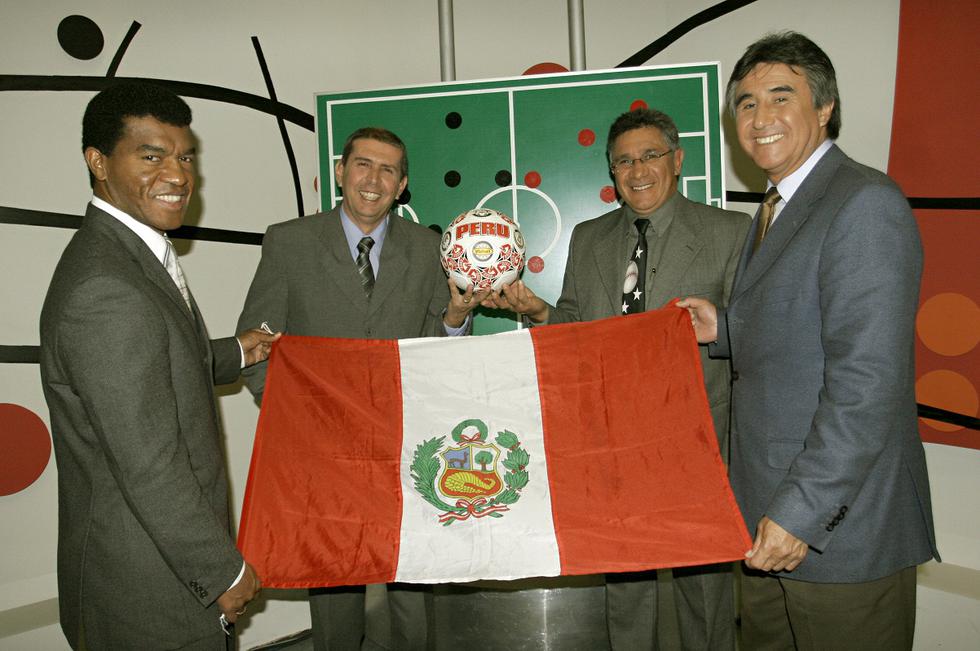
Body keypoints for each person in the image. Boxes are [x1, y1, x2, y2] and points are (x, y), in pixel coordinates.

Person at [678, 31, 939, 650]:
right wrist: (725, 325)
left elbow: (867, 386)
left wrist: (800, 515)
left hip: (835, 529)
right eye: (745, 103)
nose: (759, 118)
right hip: (765, 516)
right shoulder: (776, 209)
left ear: (824, 109)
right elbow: (807, 325)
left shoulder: (864, 204)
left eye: (779, 97)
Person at [486, 108, 750, 650]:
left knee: (704, 598)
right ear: (612, 172)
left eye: (650, 155)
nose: (637, 170)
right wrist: (536, 307)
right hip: (615, 447)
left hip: (697, 447)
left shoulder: (731, 232)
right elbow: (576, 329)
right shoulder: (589, 238)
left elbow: (753, 336)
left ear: (677, 161)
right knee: (627, 594)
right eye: (623, 161)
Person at [39, 82, 278, 649]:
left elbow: (155, 362)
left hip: (153, 568)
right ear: (98, 162)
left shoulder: (129, 250)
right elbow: (148, 460)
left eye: (184, 156)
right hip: (148, 588)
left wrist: (238, 351)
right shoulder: (105, 288)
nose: (177, 175)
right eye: (151, 156)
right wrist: (220, 569)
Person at [236, 126, 483, 650]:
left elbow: (439, 348)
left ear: (403, 185)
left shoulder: (428, 247)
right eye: (364, 165)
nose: (374, 179)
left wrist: (458, 316)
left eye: (388, 169)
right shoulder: (289, 241)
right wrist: (291, 416)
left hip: (407, 442)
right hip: (324, 450)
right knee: (333, 583)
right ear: (341, 173)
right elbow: (257, 347)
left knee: (412, 575)